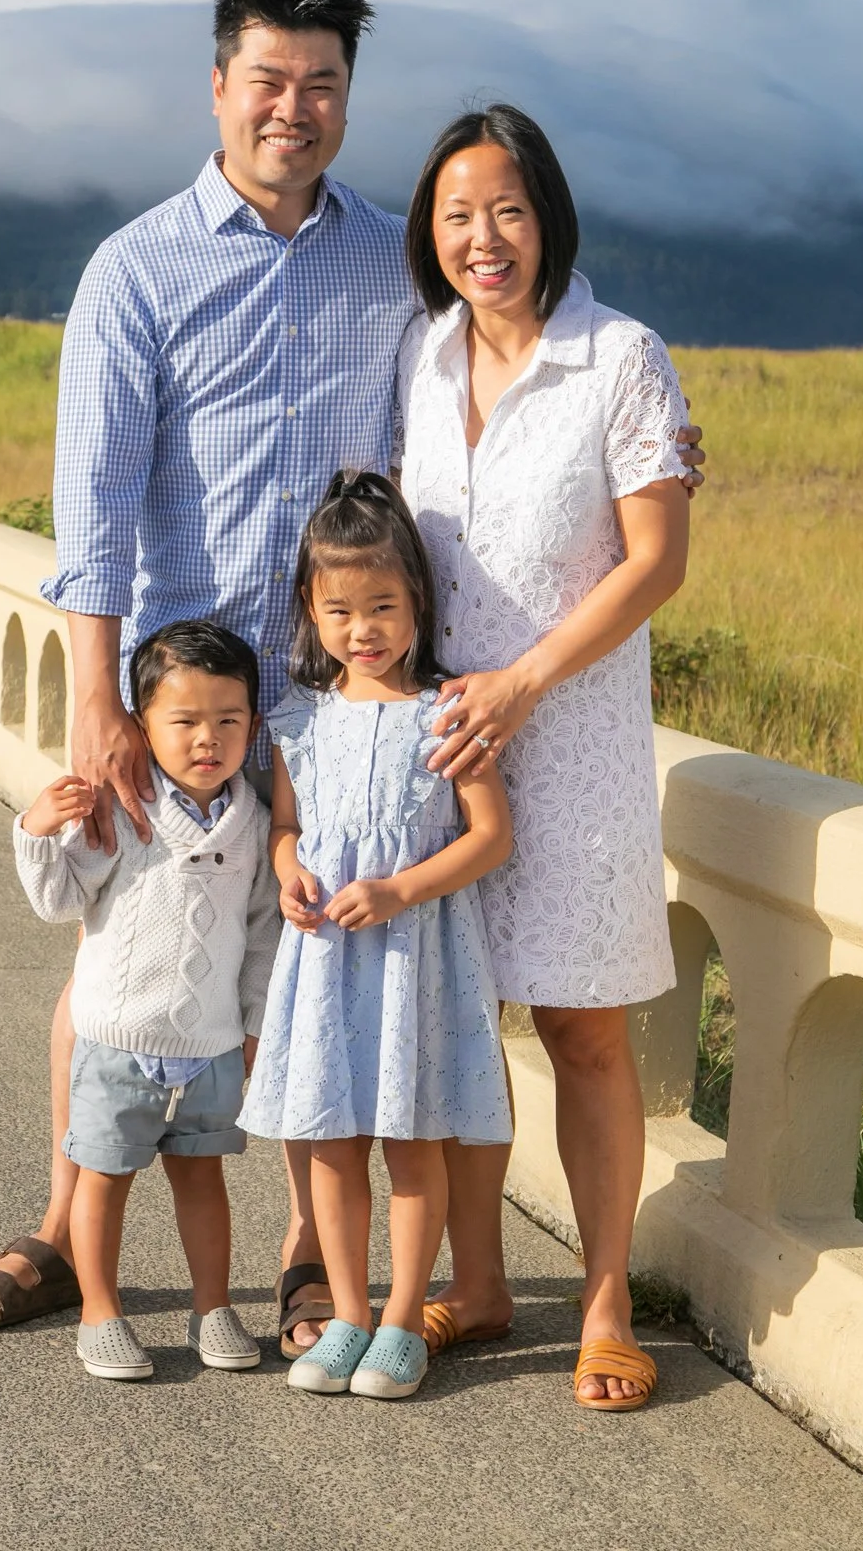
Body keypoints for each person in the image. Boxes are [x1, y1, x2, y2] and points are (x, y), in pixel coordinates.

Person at [0, 0, 706, 1347]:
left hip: (354, 694)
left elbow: (517, 379)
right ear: (219, 86)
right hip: (189, 699)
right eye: (268, 81)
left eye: (322, 85)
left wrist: (649, 433)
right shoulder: (136, 269)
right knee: (124, 968)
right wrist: (91, 719)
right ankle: (65, 1226)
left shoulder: (390, 261)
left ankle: (312, 1257)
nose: (293, 108)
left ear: (348, 99)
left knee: (326, 970)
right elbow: (91, 513)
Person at [395, 104, 690, 1412]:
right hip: (447, 745)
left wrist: (524, 681)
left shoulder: (619, 356)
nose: (482, 239)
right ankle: (486, 1282)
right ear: (431, 234)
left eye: (505, 210)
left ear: (547, 213)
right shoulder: (423, 353)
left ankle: (609, 1302)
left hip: (568, 745)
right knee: (465, 1021)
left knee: (580, 1028)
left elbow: (657, 558)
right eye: (457, 216)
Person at [240, 473, 513, 1401]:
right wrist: (289, 877)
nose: (364, 629)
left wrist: (399, 887)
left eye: (384, 606)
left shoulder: (447, 711)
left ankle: (402, 1320)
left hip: (412, 959)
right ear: (311, 614)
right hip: (324, 962)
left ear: (417, 605)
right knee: (328, 1139)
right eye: (341, 610)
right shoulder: (300, 723)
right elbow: (285, 829)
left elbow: (489, 837)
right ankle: (346, 1313)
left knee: (409, 1137)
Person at [0, 621, 279, 1380]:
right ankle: (98, 1312)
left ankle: (212, 1308)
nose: (206, 740)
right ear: (141, 724)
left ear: (253, 724)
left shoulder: (252, 821)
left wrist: (252, 1028)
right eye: (182, 722)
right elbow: (60, 904)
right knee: (103, 1180)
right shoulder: (120, 808)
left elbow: (260, 936)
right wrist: (36, 830)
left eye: (228, 720)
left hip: (209, 1045)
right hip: (115, 1040)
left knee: (203, 1180)